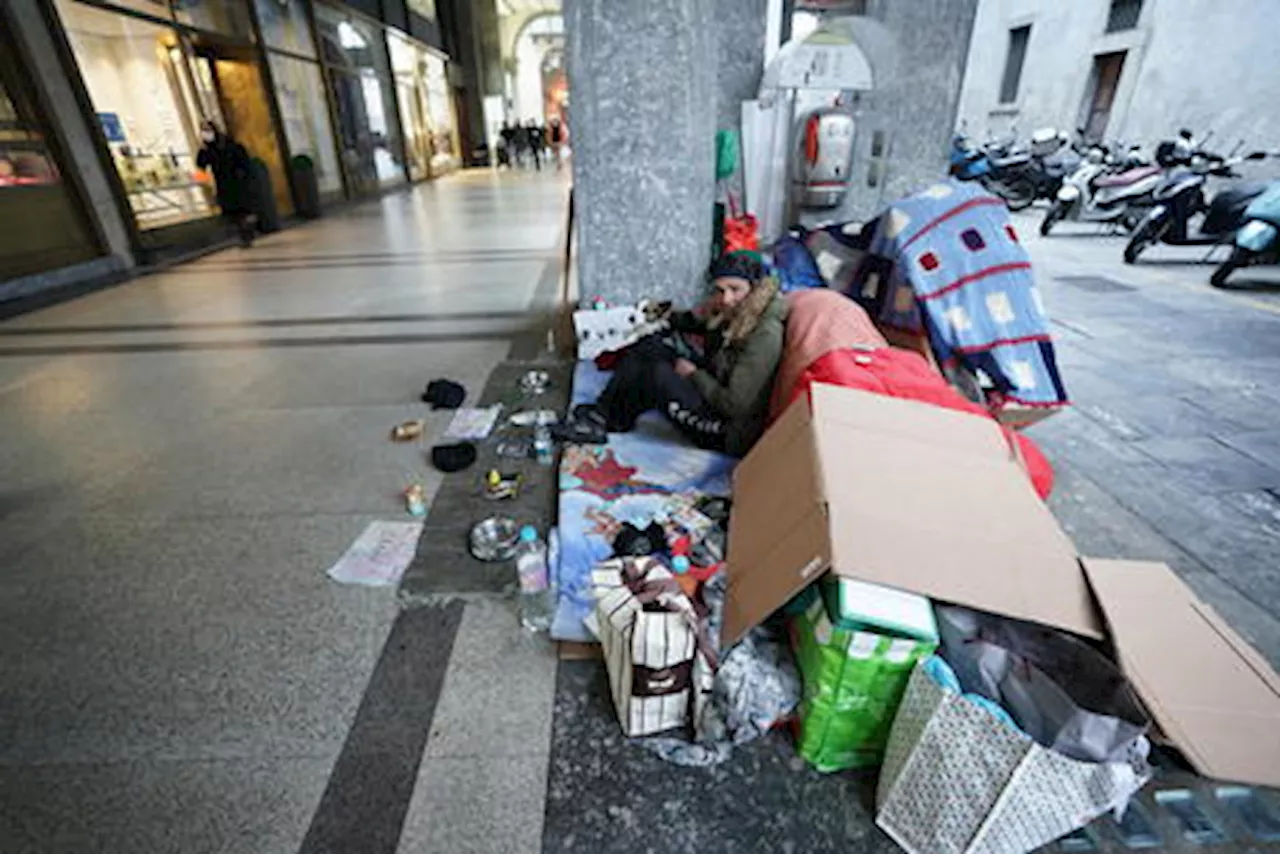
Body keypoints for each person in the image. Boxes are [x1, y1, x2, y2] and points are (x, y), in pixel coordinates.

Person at [574, 251, 788, 456]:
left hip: (729, 432)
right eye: (719, 290)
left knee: (657, 375)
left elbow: (735, 404)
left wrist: (693, 375)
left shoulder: (765, 334)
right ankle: (604, 414)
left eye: (735, 289)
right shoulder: (736, 312)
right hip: (713, 388)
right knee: (650, 344)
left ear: (754, 289)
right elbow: (698, 323)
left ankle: (609, 420)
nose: (726, 299)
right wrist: (665, 315)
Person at [196, 121, 256, 247]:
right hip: (223, 185)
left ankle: (246, 233)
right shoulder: (206, 149)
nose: (206, 134)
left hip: (238, 183)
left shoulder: (230, 145)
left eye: (207, 130)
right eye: (203, 131)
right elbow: (201, 167)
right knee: (232, 214)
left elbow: (245, 163)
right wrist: (203, 184)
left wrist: (246, 177)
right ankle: (244, 234)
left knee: (242, 211)